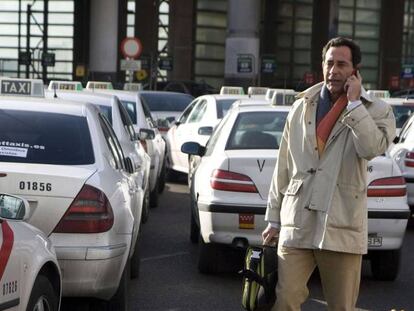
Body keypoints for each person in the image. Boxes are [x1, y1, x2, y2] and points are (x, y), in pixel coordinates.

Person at [262, 37, 396, 310]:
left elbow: (371, 148)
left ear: (355, 70)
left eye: (342, 64)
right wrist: (273, 219)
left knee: (341, 306)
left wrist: (355, 105)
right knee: (284, 299)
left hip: (341, 224)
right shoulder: (302, 106)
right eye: (329, 63)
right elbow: (283, 166)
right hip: (297, 220)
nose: (333, 70)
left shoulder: (377, 111)